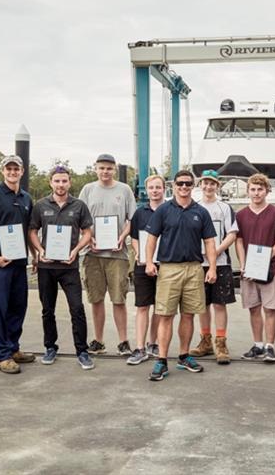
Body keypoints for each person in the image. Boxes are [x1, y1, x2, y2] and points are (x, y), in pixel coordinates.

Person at [144, 169, 217, 381]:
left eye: (187, 184)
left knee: (188, 314)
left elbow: (210, 241)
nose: (184, 187)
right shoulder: (164, 210)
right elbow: (151, 238)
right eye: (180, 184)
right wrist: (149, 262)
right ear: (174, 186)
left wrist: (211, 267)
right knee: (166, 315)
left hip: (194, 268)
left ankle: (184, 356)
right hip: (169, 269)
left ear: (192, 186)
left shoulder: (201, 212)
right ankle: (162, 360)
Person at [28, 165, 95, 371]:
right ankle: (50, 347)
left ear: (69, 182)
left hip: (69, 265)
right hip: (47, 266)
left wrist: (76, 250)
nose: (60, 184)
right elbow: (32, 230)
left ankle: (82, 351)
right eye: (57, 181)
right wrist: (39, 251)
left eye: (64, 181)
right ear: (51, 182)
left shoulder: (79, 205)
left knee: (77, 308)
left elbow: (87, 232)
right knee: (48, 310)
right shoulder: (40, 205)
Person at [0, 155, 35, 374]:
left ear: (22, 171)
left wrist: (34, 255)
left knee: (17, 306)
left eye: (16, 168)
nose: (12, 172)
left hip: (19, 262)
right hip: (0, 263)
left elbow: (28, 230)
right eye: (8, 168)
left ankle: (13, 348)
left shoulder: (26, 198)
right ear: (3, 171)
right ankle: (2, 354)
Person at [79, 154, 137, 356]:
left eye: (109, 168)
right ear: (95, 169)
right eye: (101, 168)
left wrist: (122, 237)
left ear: (115, 169)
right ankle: (98, 340)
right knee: (96, 299)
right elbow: (81, 220)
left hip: (117, 254)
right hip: (92, 254)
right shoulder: (88, 190)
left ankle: (123, 341)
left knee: (118, 299)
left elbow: (132, 219)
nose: (105, 172)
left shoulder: (125, 190)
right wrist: (89, 239)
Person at [190, 170, 238, 365]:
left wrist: (216, 251)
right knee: (202, 304)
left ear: (217, 186)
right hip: (198, 263)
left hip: (220, 263)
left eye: (212, 184)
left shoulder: (224, 207)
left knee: (220, 303)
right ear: (200, 185)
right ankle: (205, 340)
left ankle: (221, 342)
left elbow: (232, 233)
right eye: (205, 183)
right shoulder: (194, 207)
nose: (208, 187)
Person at [235, 173, 275, 363]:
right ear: (248, 191)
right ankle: (258, 344)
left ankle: (270, 347)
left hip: (269, 267)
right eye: (253, 189)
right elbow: (238, 241)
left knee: (270, 308)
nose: (256, 193)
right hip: (249, 269)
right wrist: (244, 264)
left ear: (267, 191)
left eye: (260, 189)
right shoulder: (240, 214)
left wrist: (266, 257)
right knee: (253, 308)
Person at [126, 174, 165, 365]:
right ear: (146, 190)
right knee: (142, 306)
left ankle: (153, 343)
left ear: (164, 189)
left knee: (160, 306)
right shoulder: (140, 213)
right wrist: (139, 254)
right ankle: (140, 348)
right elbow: (134, 237)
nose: (155, 191)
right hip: (142, 265)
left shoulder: (170, 211)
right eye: (151, 188)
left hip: (164, 265)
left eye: (158, 187)